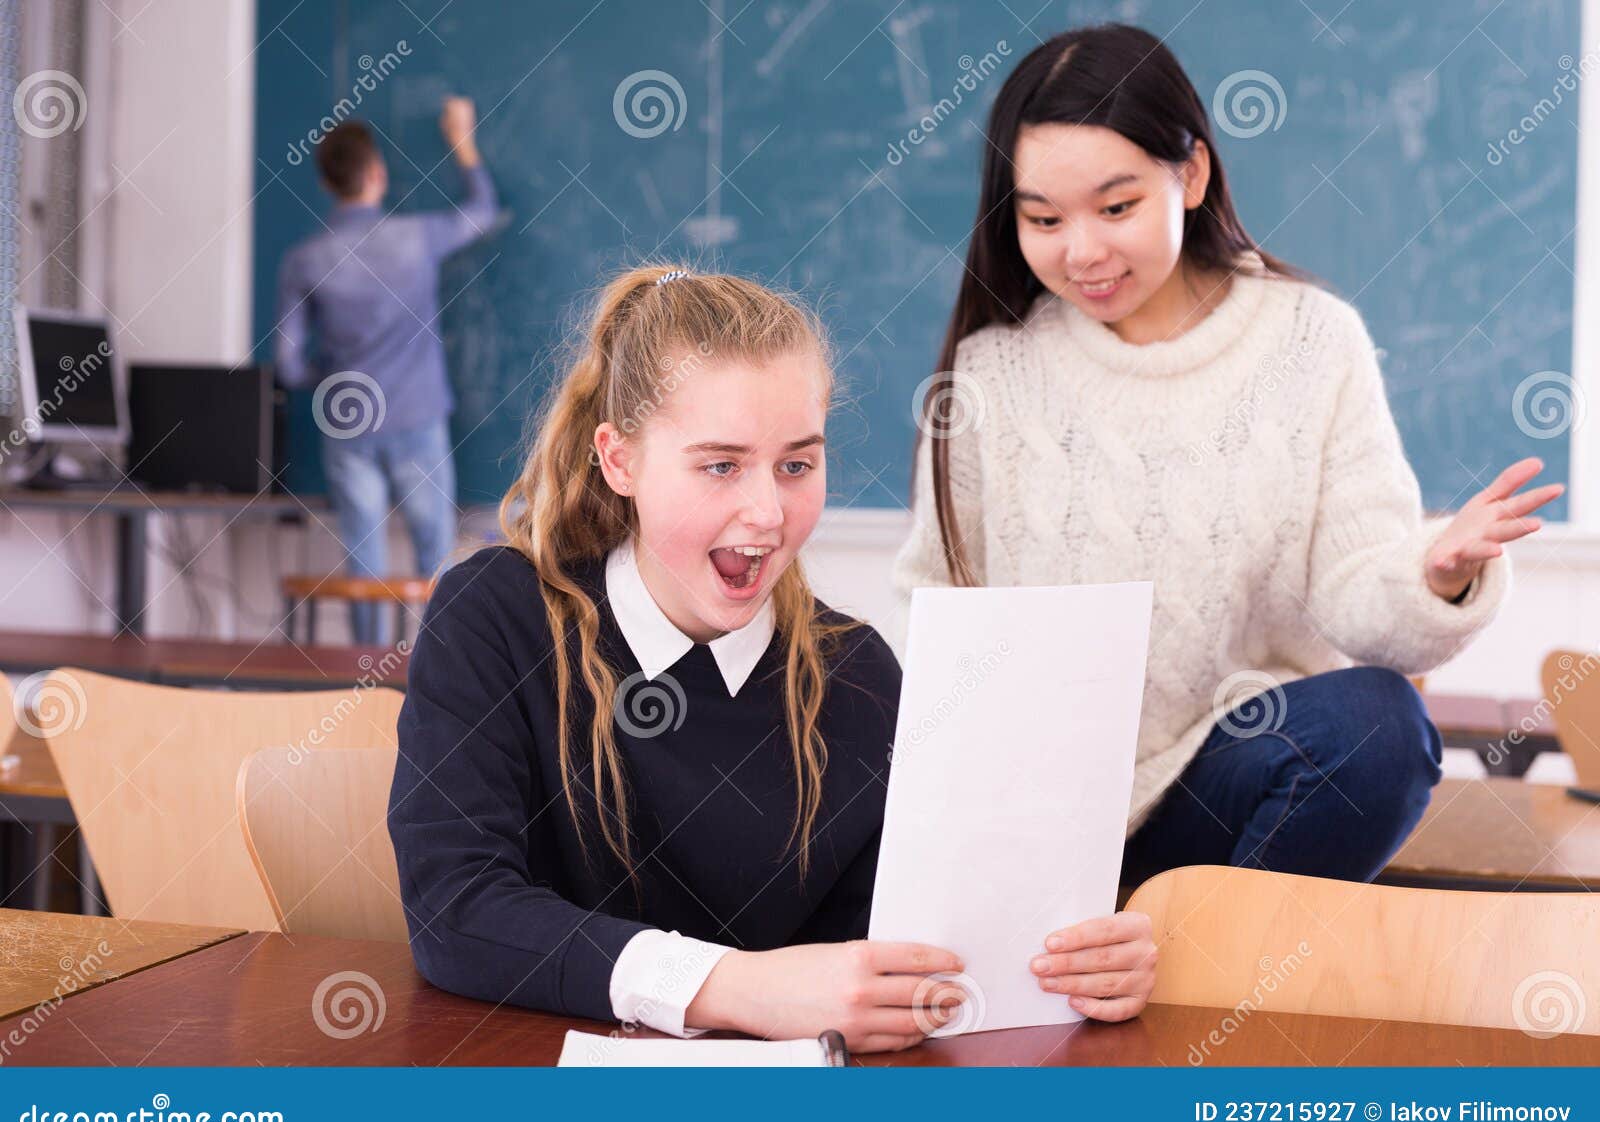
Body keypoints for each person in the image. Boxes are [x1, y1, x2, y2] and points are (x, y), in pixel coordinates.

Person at [389, 266, 1158, 1051]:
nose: (766, 511)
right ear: (619, 462)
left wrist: (1079, 962)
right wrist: (737, 987)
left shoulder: (858, 673)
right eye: (720, 464)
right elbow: (457, 908)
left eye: (797, 465)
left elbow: (910, 954)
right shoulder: (496, 617)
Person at [893, 24, 1564, 888]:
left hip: (1224, 791)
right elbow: (931, 609)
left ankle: (1207, 966)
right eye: (1044, 219)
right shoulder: (991, 373)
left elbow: (1362, 600)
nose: (1082, 251)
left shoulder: (1312, 342)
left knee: (1376, 726)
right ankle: (1121, 949)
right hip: (1038, 813)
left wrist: (1432, 576)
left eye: (1117, 207)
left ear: (1193, 174)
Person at [275, 96, 498, 643]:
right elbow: (482, 211)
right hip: (418, 416)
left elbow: (286, 363)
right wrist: (461, 139)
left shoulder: (305, 260)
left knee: (363, 560)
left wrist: (328, 372)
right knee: (438, 558)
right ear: (377, 174)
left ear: (329, 183)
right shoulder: (416, 237)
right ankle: (445, 674)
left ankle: (363, 685)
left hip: (349, 425)